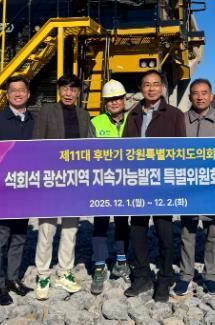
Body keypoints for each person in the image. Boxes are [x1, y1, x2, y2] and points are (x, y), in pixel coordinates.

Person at [123, 69, 186, 302]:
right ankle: (142, 276)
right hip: (138, 182)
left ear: (163, 88)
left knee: (164, 232)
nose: (151, 88)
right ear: (141, 88)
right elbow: (124, 148)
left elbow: (181, 150)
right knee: (137, 229)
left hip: (163, 182)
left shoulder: (174, 114)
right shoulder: (133, 113)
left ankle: (165, 277)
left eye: (156, 84)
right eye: (147, 84)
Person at [32, 74, 95, 300]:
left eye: (73, 89)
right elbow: (37, 143)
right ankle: (43, 275)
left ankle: (65, 272)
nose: (68, 93)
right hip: (51, 179)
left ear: (78, 92)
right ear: (59, 90)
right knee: (46, 228)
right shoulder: (47, 111)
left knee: (70, 228)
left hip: (74, 180)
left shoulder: (84, 115)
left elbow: (90, 146)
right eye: (65, 88)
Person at [175, 78, 215, 297]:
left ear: (211, 96)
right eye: (195, 93)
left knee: (213, 231)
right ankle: (185, 275)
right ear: (190, 97)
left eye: (204, 93)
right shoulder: (180, 120)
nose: (200, 97)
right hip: (188, 184)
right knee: (187, 231)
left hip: (213, 186)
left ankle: (210, 276)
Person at [0, 75, 36, 306]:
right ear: (7, 95)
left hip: (25, 188)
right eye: (13, 90)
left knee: (19, 236)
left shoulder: (35, 121)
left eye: (22, 90)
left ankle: (13, 278)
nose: (18, 94)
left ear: (28, 94)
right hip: (2, 189)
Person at [89, 79, 131, 295]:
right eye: (110, 99)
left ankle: (121, 261)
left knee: (123, 222)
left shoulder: (134, 121)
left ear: (124, 100)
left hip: (126, 181)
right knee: (100, 223)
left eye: (117, 98)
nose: (114, 102)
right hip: (102, 182)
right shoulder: (96, 123)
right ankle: (99, 265)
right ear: (104, 102)